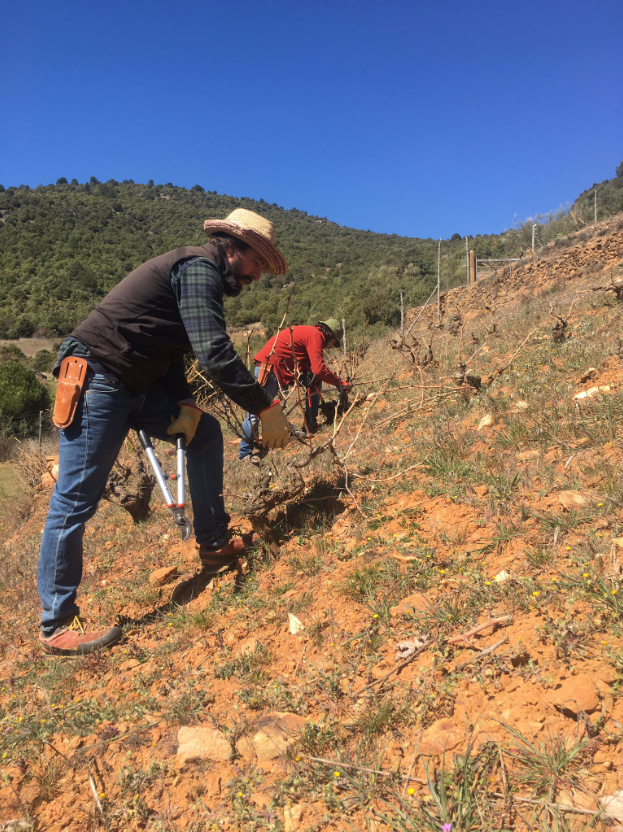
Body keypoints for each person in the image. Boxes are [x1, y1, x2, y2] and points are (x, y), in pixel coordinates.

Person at [37, 208, 290, 656]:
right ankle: (56, 625)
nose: (257, 275)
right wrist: (265, 406)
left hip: (136, 384)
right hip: (97, 377)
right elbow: (213, 351)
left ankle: (212, 543)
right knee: (75, 498)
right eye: (256, 263)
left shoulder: (199, 275)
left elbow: (172, 350)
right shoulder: (198, 269)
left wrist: (188, 403)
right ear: (234, 248)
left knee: (206, 433)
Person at [238, 318, 350, 462]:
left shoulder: (311, 334)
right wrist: (340, 383)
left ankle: (310, 422)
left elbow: (312, 367)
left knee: (314, 379)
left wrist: (314, 375)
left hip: (279, 367)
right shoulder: (315, 335)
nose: (332, 346)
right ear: (330, 335)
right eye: (334, 342)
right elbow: (319, 368)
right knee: (257, 409)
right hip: (270, 367)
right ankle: (244, 454)